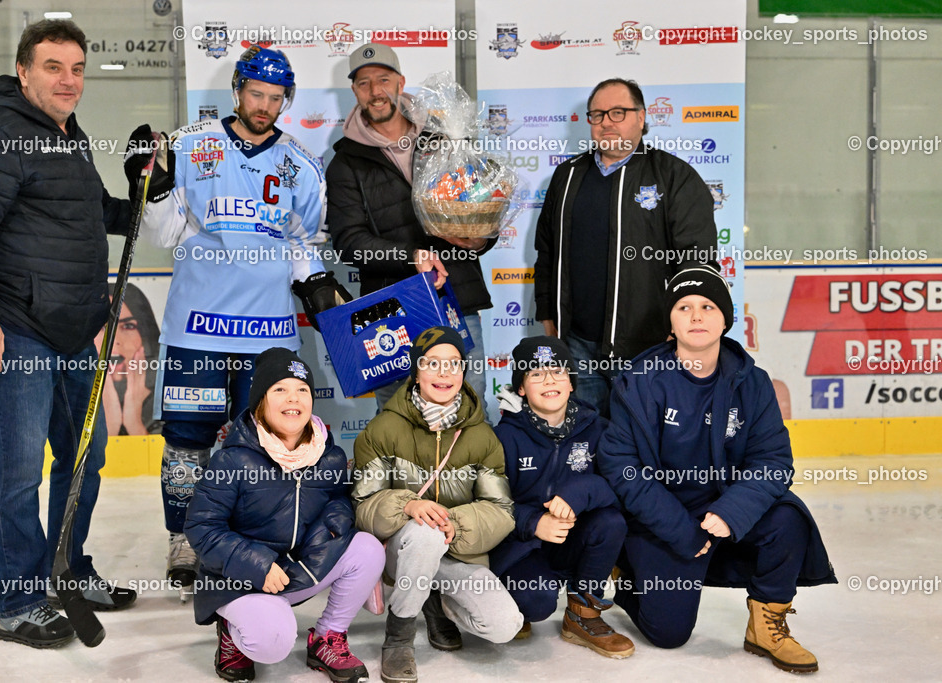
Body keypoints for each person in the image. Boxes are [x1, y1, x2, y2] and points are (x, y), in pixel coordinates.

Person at [0, 19, 137, 648]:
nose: (69, 80)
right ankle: (19, 603)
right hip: (17, 331)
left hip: (75, 332)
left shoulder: (64, 134)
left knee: (87, 459)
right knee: (20, 470)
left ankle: (65, 570)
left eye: (77, 69)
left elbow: (91, 213)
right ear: (24, 71)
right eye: (54, 67)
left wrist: (143, 189)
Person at [124, 45, 346, 589]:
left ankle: (252, 542)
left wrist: (314, 280)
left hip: (268, 335)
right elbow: (164, 234)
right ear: (237, 91)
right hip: (197, 326)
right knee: (187, 439)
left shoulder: (300, 163)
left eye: (276, 98)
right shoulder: (189, 146)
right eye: (256, 94)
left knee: (266, 440)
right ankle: (183, 538)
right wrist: (150, 190)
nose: (265, 105)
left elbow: (304, 238)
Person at [597, 265, 836, 674]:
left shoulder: (753, 382)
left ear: (725, 318)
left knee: (788, 516)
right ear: (669, 321)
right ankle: (630, 570)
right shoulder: (638, 382)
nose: (696, 316)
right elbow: (622, 467)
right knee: (669, 634)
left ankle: (766, 626)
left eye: (708, 306)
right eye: (684, 307)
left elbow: (773, 463)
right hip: (663, 519)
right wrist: (679, 529)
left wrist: (731, 512)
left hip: (722, 512)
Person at [184, 348, 384, 682]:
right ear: (260, 401)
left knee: (367, 548)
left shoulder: (328, 455)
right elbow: (202, 528)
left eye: (302, 390)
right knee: (273, 643)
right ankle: (233, 632)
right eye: (280, 389)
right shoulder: (232, 461)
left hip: (295, 568)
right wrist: (256, 565)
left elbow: (338, 500)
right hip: (239, 579)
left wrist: (332, 524)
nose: (293, 398)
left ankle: (327, 637)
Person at [534, 77, 717, 416]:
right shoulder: (567, 176)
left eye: (618, 112)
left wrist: (682, 326)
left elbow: (698, 262)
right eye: (598, 114)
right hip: (576, 342)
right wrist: (547, 313)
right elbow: (546, 252)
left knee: (643, 438)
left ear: (642, 117)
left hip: (647, 344)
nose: (606, 122)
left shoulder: (674, 176)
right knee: (587, 440)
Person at [326, 43, 494, 410]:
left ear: (400, 82)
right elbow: (349, 241)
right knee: (399, 418)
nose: (375, 91)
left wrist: (479, 235)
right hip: (393, 310)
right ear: (354, 90)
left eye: (383, 80)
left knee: (468, 409)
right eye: (364, 83)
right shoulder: (345, 162)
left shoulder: (446, 139)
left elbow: (483, 211)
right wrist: (412, 256)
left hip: (457, 300)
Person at [352, 326, 523, 683]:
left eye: (454, 364)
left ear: (464, 370)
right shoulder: (383, 428)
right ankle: (398, 638)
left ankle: (434, 599)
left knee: (505, 625)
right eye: (433, 363)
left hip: (456, 552)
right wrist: (407, 505)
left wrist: (457, 523)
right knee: (425, 534)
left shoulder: (483, 435)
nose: (444, 373)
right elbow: (364, 505)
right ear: (416, 370)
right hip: (403, 549)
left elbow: (501, 509)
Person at [490, 336, 633, 658]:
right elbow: (488, 505)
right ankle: (511, 599)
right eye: (536, 374)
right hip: (522, 546)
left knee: (610, 521)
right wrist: (532, 521)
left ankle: (583, 615)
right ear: (522, 388)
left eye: (558, 372)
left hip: (574, 540)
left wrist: (581, 491)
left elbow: (625, 487)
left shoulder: (600, 430)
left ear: (571, 384)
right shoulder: (502, 437)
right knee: (535, 603)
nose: (549, 380)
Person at [94, 283, 161, 436]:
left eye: (129, 326)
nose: (114, 340)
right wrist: (108, 424)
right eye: (102, 327)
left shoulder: (166, 396)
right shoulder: (67, 393)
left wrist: (134, 421)